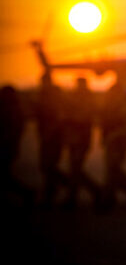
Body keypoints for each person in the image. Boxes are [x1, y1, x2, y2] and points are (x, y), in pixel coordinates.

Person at [100, 82, 126, 209]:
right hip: (111, 142)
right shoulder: (110, 106)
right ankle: (112, 197)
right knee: (111, 171)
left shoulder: (125, 106)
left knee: (113, 170)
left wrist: (114, 136)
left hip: (119, 143)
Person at [63, 77, 101, 209]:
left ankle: (94, 191)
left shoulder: (87, 100)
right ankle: (77, 196)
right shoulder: (76, 99)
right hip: (75, 139)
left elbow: (83, 118)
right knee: (74, 169)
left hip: (81, 140)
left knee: (76, 169)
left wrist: (70, 118)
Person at [36, 74, 70, 209]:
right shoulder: (44, 95)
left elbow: (59, 118)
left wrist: (50, 134)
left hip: (53, 138)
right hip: (47, 137)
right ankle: (57, 189)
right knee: (46, 167)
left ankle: (63, 186)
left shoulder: (54, 96)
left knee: (48, 166)